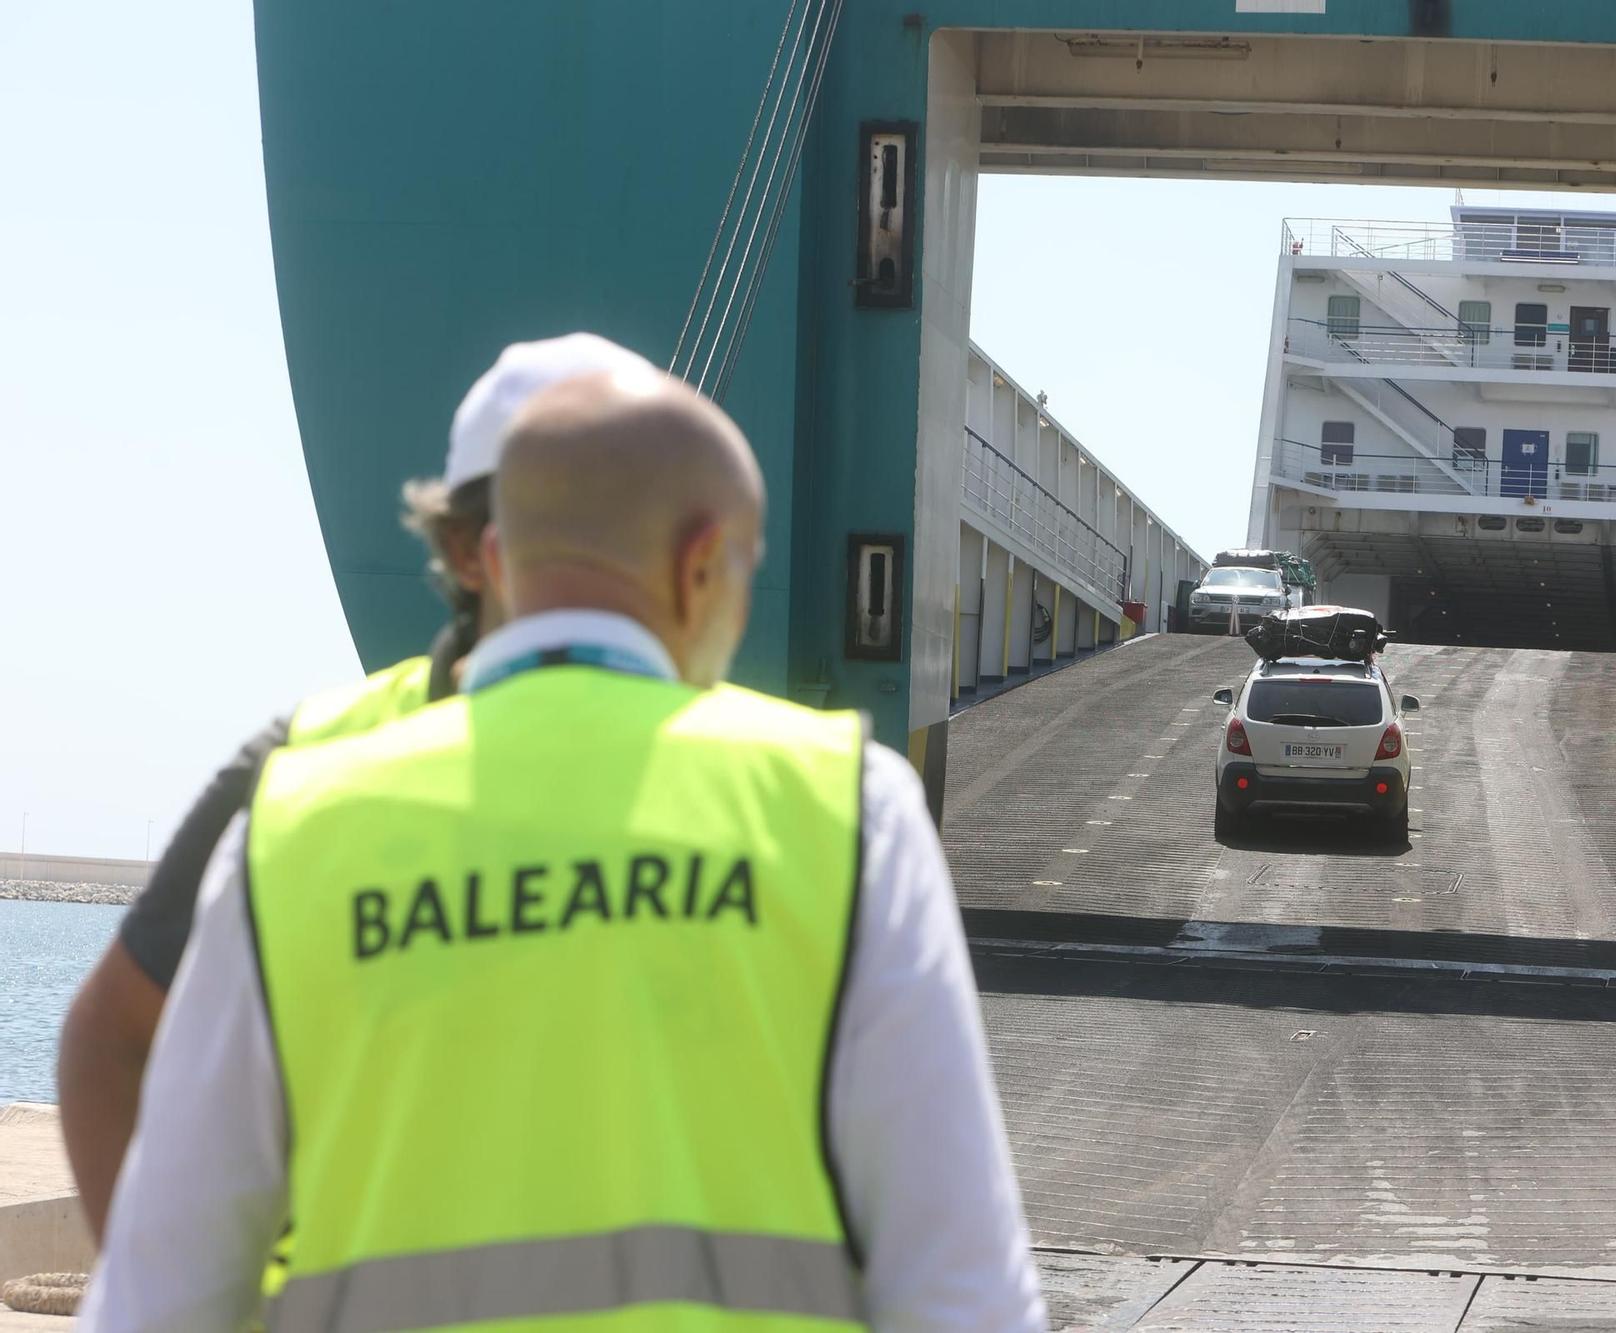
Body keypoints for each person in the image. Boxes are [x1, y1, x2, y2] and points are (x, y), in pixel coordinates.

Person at [81, 366, 1046, 1330]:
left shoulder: (295, 827)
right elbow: (964, 1293)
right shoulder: (843, 809)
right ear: (701, 564)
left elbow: (157, 1294)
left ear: (495, 559)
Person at [56, 332, 656, 1238]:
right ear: (468, 552)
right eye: (565, 525)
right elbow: (110, 1040)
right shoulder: (301, 768)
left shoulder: (766, 783)